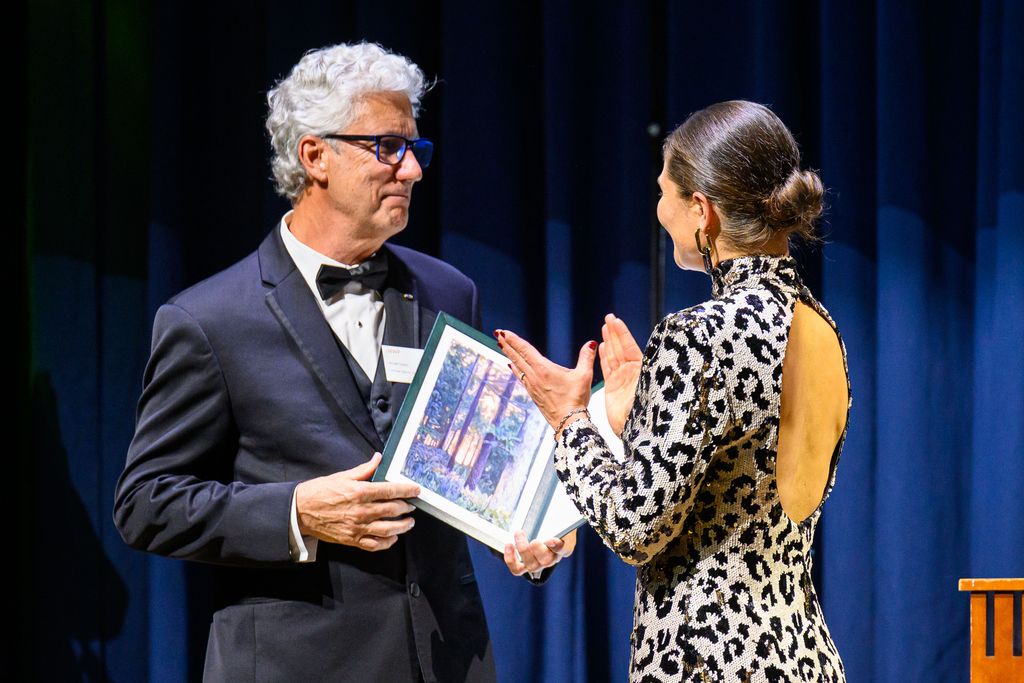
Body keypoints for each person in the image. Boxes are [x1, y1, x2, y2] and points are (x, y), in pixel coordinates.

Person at [113, 42, 570, 683]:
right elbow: (147, 503)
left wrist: (529, 532)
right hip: (294, 663)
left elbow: (473, 471)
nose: (413, 170)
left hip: (446, 661)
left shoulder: (448, 292)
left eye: (416, 148)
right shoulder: (209, 319)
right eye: (388, 147)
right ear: (315, 156)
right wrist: (297, 512)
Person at [497, 100, 849, 681]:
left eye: (663, 192)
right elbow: (741, 480)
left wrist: (569, 421)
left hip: (710, 660)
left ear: (701, 211)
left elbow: (635, 527)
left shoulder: (697, 337)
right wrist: (641, 416)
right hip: (800, 654)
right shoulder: (819, 325)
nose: (659, 210)